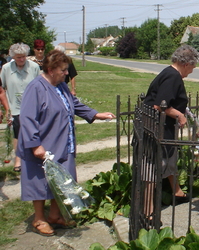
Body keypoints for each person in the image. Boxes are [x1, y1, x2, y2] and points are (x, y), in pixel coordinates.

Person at [16, 49, 115, 236]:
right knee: (39, 183)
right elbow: (27, 118)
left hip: (62, 143)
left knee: (62, 181)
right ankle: (39, 219)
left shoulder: (60, 86)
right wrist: (35, 145)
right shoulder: (36, 87)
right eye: (63, 70)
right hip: (43, 146)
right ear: (51, 69)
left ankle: (55, 216)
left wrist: (95, 114)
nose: (67, 73)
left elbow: (74, 104)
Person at [144, 44, 199, 205]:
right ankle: (149, 209)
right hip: (158, 128)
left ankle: (177, 192)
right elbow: (160, 105)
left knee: (169, 159)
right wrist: (180, 116)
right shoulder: (172, 76)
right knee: (157, 164)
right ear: (185, 64)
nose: (191, 71)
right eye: (192, 67)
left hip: (161, 126)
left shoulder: (169, 73)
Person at [1, 43, 40, 173]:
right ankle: (18, 159)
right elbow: (2, 89)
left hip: (32, 107)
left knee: (33, 132)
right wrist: (7, 109)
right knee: (17, 134)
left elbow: (39, 87)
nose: (21, 60)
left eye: (23, 57)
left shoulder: (34, 67)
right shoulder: (6, 68)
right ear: (13, 57)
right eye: (18, 57)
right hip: (15, 107)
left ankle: (34, 157)